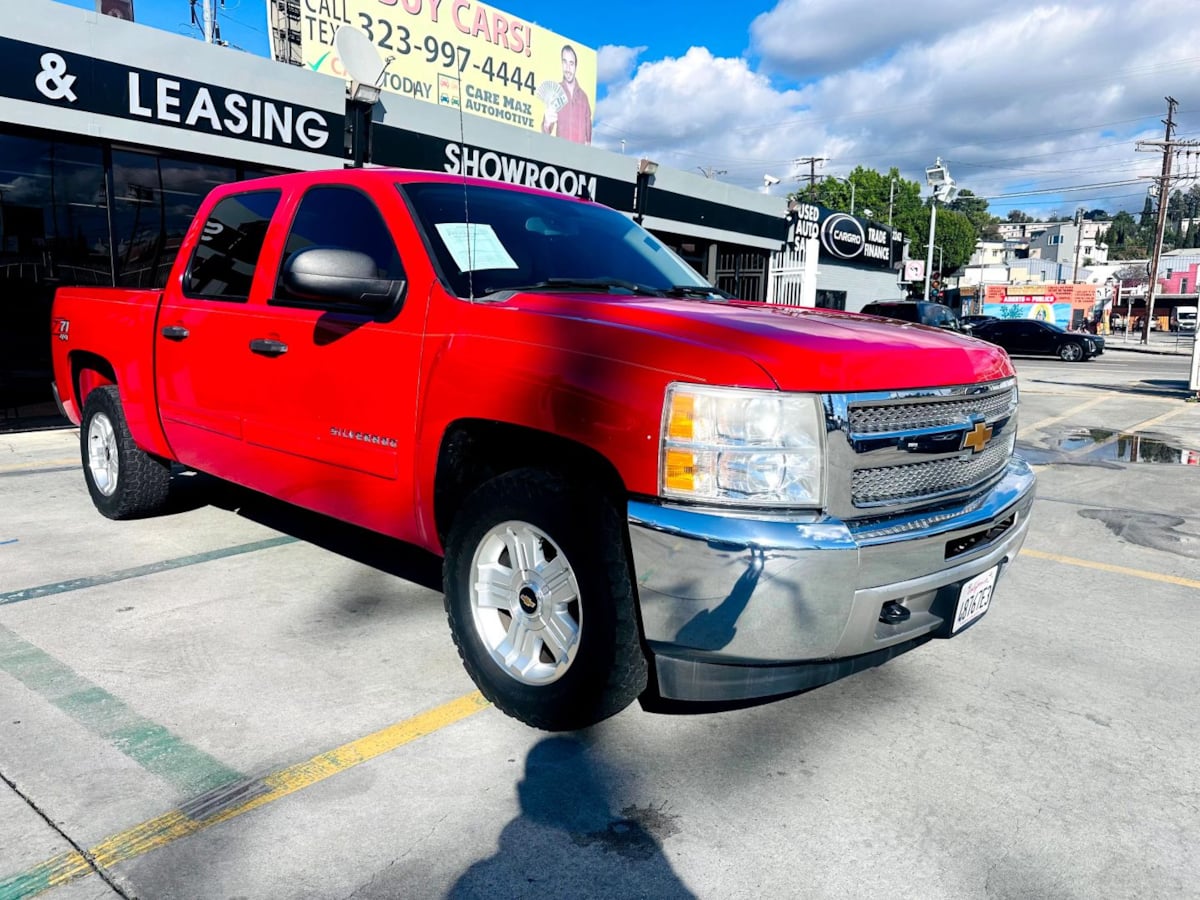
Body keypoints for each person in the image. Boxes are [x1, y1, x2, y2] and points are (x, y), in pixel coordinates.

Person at [542, 44, 592, 145]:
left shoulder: (584, 98)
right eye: (564, 62)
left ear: (576, 67)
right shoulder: (556, 92)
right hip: (560, 154)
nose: (568, 68)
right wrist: (546, 123)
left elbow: (588, 140)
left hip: (579, 156)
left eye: (571, 63)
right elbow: (546, 131)